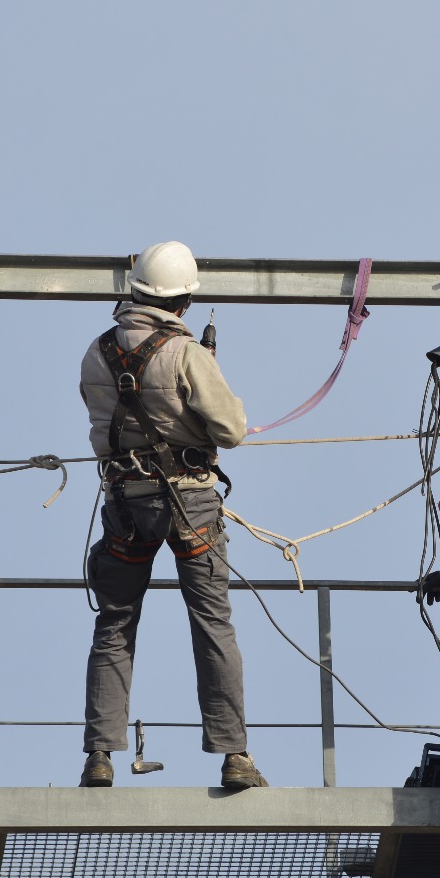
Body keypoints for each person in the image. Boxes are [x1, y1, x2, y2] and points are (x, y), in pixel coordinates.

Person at [76, 240, 265, 791]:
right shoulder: (187, 354)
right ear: (183, 300)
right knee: (212, 625)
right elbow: (230, 430)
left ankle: (99, 756)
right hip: (190, 504)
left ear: (135, 290)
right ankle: (234, 756)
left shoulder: (96, 351)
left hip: (124, 506)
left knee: (114, 625)